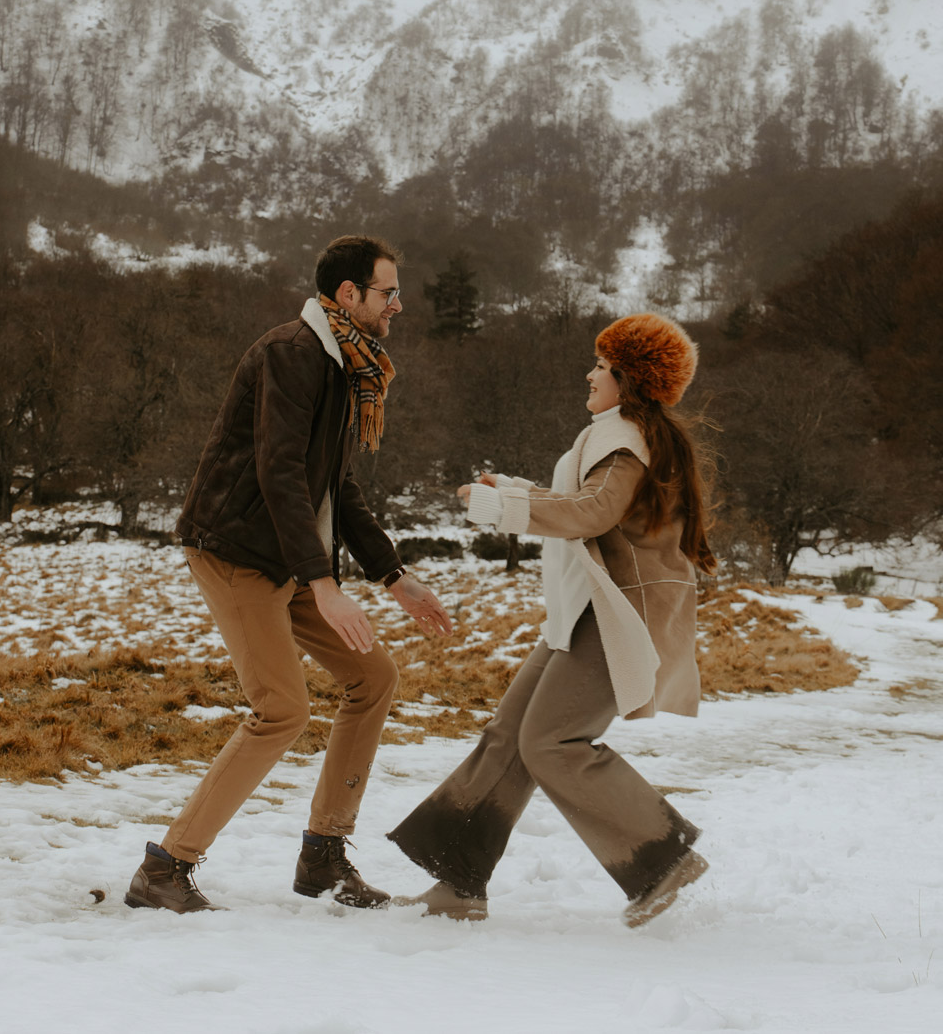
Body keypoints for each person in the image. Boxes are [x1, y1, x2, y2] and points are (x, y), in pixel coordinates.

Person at [125, 234, 453, 914]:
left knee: (374, 677)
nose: (399, 303)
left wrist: (394, 577)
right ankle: (165, 867)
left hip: (287, 555)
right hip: (237, 547)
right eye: (388, 291)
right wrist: (324, 584)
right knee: (282, 708)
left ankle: (323, 856)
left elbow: (335, 485)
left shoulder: (346, 366)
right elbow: (278, 473)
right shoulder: (293, 354)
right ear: (348, 295)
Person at [388, 312, 715, 928]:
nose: (590, 373)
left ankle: (660, 857)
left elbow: (592, 512)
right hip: (581, 614)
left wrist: (501, 505)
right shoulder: (616, 433)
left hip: (614, 617)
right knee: (509, 736)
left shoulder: (625, 441)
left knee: (551, 742)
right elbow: (584, 504)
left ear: (630, 377)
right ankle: (460, 881)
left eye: (601, 365)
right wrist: (513, 490)